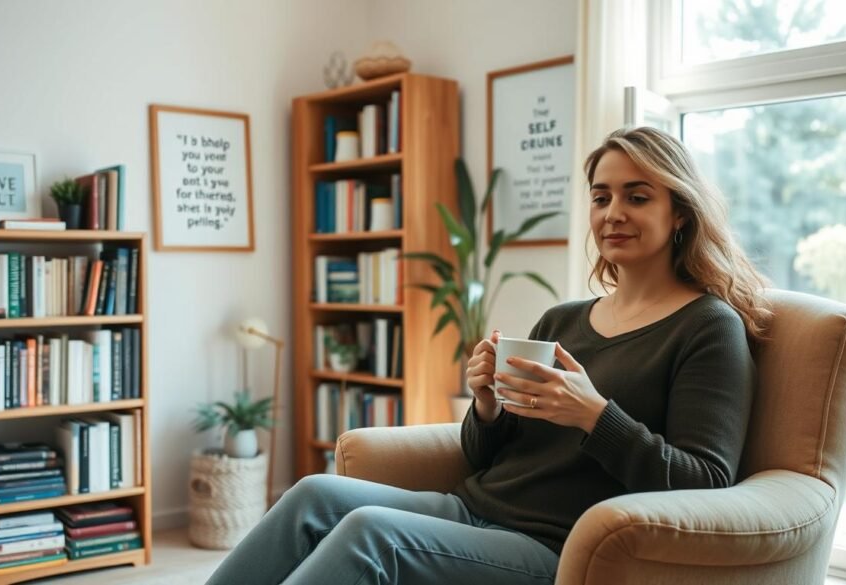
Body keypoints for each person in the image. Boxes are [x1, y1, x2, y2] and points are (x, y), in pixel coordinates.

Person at [206, 126, 772, 585]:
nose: (612, 213)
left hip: (557, 546)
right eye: (601, 197)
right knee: (312, 495)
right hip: (475, 509)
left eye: (637, 196)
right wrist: (486, 407)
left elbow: (708, 482)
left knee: (371, 533)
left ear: (679, 212)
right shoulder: (564, 320)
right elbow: (483, 457)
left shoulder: (707, 327)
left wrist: (595, 416)